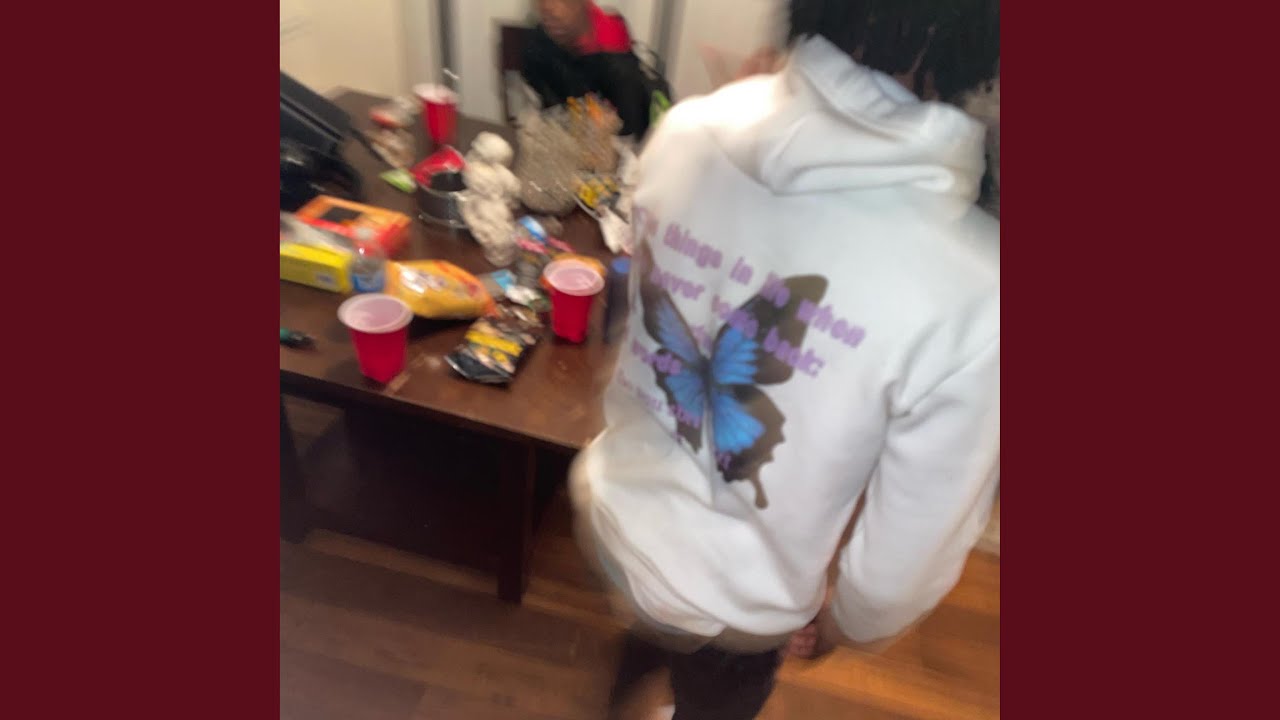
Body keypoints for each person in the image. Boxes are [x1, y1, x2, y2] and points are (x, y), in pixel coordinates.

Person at [569, 0, 1001, 717]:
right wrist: (843, 625)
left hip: (615, 512)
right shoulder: (978, 291)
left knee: (647, 640)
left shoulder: (688, 129)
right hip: (739, 600)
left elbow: (637, 329)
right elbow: (898, 571)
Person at [521, 0, 660, 138]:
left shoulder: (614, 53)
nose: (548, 8)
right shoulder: (538, 47)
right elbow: (550, 112)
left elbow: (631, 132)